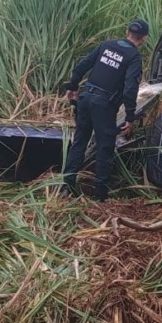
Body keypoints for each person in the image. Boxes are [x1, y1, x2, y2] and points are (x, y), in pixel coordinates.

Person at [61, 19, 150, 200]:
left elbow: (82, 65)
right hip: (104, 105)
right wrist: (130, 117)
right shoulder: (133, 57)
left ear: (127, 31)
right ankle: (100, 196)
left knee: (79, 142)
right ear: (145, 38)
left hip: (85, 98)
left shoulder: (107, 45)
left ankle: (66, 186)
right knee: (105, 148)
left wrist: (72, 87)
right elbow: (130, 88)